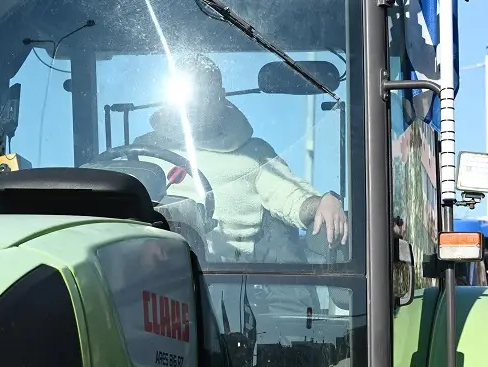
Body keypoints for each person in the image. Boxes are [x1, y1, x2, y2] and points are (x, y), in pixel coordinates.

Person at [136, 53, 348, 263]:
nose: (196, 105)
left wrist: (323, 202)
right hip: (152, 266)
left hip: (225, 277)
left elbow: (291, 196)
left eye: (205, 95)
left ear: (221, 96)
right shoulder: (142, 150)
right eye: (191, 95)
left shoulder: (253, 153)